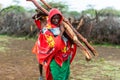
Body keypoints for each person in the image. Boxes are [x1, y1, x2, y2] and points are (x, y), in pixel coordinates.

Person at [32, 8, 77, 80]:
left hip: (63, 54)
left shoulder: (62, 26)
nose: (56, 20)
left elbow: (69, 40)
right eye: (54, 18)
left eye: (58, 18)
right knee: (41, 61)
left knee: (64, 74)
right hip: (49, 50)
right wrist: (61, 33)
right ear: (50, 18)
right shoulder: (46, 27)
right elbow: (54, 45)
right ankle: (41, 75)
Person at [32, 9, 48, 80]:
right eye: (42, 16)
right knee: (40, 60)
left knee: (49, 59)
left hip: (49, 42)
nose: (44, 17)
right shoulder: (39, 22)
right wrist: (39, 13)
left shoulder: (50, 22)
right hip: (41, 43)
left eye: (45, 16)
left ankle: (49, 74)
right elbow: (34, 17)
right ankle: (41, 75)